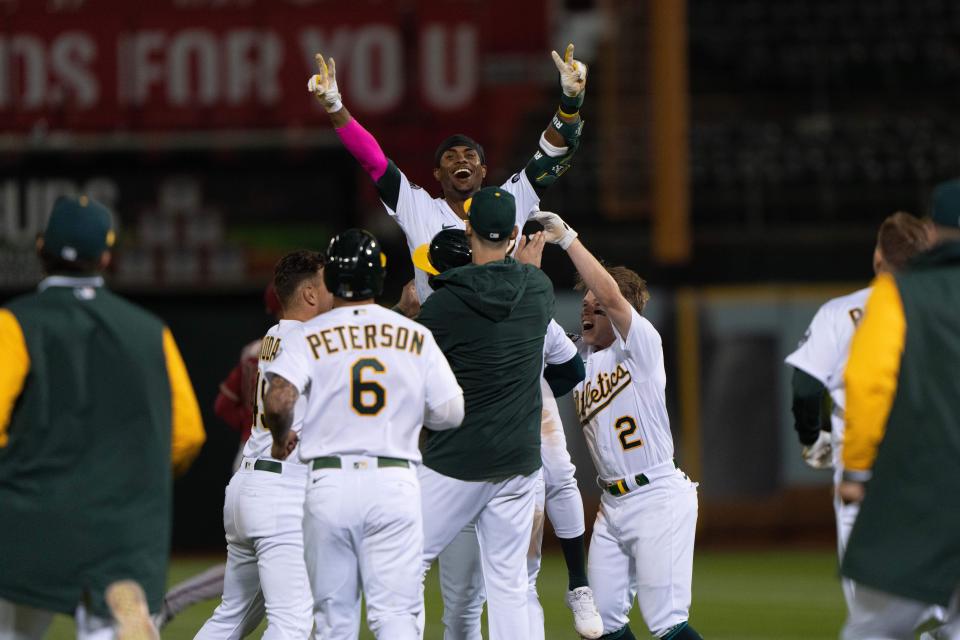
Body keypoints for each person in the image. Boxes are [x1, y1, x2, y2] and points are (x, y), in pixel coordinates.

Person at [308, 43, 603, 637]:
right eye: (451, 156)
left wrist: (571, 99)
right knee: (461, 541)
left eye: (471, 153)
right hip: (443, 365)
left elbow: (552, 155)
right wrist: (337, 107)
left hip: (509, 354)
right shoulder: (417, 206)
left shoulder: (514, 198)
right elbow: (373, 162)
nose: (462, 158)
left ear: (484, 172)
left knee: (559, 471)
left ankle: (579, 587)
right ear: (438, 176)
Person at [0, 195, 206, 640]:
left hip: (32, 517)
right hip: (123, 526)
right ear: (107, 256)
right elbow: (188, 433)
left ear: (40, 247)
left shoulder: (15, 322)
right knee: (108, 622)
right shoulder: (152, 332)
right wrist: (136, 480)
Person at [263, 229, 464, 639]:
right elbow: (451, 412)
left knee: (334, 622)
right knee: (394, 617)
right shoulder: (413, 334)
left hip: (329, 484)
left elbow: (278, 399)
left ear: (333, 279)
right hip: (394, 482)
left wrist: (280, 439)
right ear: (379, 277)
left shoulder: (309, 335)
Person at [534, 210, 703, 640]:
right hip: (612, 505)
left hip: (657, 496)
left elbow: (612, 296)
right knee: (602, 626)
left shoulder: (641, 345)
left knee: (666, 621)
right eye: (584, 307)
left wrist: (568, 239)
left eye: (599, 309)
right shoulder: (577, 360)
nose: (588, 314)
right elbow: (534, 326)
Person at [412, 228, 589, 639]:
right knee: (514, 586)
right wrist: (524, 386)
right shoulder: (528, 303)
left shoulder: (438, 315)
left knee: (443, 590)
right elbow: (571, 370)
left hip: (455, 466)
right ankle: (579, 582)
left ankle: (580, 583)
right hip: (517, 462)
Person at [784, 211, 931, 610]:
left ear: (879, 256)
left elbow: (806, 385)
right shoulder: (943, 312)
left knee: (873, 614)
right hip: (933, 471)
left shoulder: (842, 312)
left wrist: (813, 438)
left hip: (864, 471)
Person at [838, 182, 960, 640]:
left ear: (931, 231)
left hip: (921, 492)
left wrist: (857, 468)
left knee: (872, 629)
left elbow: (868, 383)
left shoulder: (898, 294)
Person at [195, 250, 334, 640]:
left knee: (232, 617)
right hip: (280, 490)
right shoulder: (310, 338)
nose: (337, 291)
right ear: (308, 294)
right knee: (292, 623)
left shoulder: (276, 334)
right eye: (327, 284)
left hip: (247, 487)